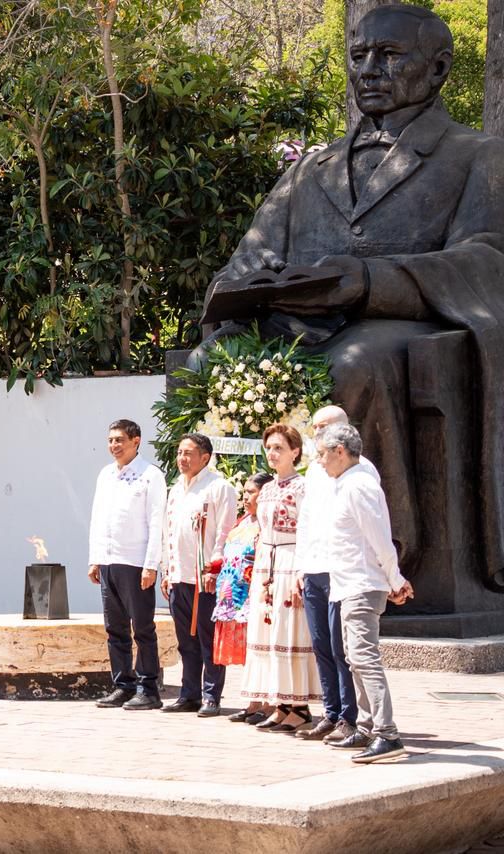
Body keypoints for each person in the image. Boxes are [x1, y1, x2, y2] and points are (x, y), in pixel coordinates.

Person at [196, 5, 504, 586]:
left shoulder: (478, 156)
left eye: (388, 55)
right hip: (294, 323)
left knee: (354, 364)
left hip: (403, 323)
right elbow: (242, 261)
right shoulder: (312, 168)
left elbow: (487, 260)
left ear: (438, 68)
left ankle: (378, 556)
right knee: (207, 360)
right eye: (359, 55)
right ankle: (236, 549)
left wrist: (369, 281)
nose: (368, 69)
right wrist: (253, 281)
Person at [316, 423, 413, 762]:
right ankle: (368, 727)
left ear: (340, 451)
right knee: (355, 659)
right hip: (348, 584)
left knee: (365, 659)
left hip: (362, 583)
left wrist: (395, 579)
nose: (320, 461)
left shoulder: (359, 485)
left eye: (323, 454)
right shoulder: (345, 484)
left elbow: (380, 539)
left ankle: (388, 734)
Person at [293, 405, 380, 743]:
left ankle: (350, 717)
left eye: (323, 426)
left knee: (341, 647)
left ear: (343, 429)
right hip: (314, 566)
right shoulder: (316, 470)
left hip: (340, 569)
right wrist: (301, 565)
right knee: (321, 644)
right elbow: (306, 519)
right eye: (314, 427)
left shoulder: (361, 470)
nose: (316, 433)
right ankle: (331, 713)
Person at [240, 424, 320, 733]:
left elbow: (308, 531)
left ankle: (299, 707)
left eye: (279, 448)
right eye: (269, 448)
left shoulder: (302, 487)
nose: (272, 453)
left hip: (290, 560)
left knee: (290, 632)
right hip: (267, 565)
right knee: (269, 633)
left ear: (295, 452)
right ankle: (281, 703)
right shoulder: (269, 488)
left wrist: (302, 570)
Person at [88, 419, 167, 711]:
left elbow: (157, 522)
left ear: (136, 441)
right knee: (115, 628)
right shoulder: (106, 474)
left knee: (142, 628)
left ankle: (149, 688)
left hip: (135, 562)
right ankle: (123, 685)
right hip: (109, 561)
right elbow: (98, 518)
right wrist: (95, 559)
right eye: (111, 440)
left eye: (120, 440)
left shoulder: (150, 475)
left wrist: (151, 565)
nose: (114, 446)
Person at [159, 434, 237, 717]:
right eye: (180, 452)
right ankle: (189, 693)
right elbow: (168, 532)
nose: (182, 458)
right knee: (185, 641)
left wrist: (214, 568)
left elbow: (225, 533)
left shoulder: (219, 487)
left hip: (205, 578)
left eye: (188, 453)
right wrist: (166, 570)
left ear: (205, 457)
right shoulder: (176, 489)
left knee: (208, 638)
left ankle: (211, 695)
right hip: (179, 575)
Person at [217, 472, 273, 723]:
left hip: (257, 594)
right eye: (245, 492)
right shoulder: (242, 522)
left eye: (252, 492)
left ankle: (269, 704)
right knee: (251, 651)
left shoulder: (268, 524)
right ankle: (253, 702)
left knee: (263, 649)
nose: (246, 497)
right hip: (235, 595)